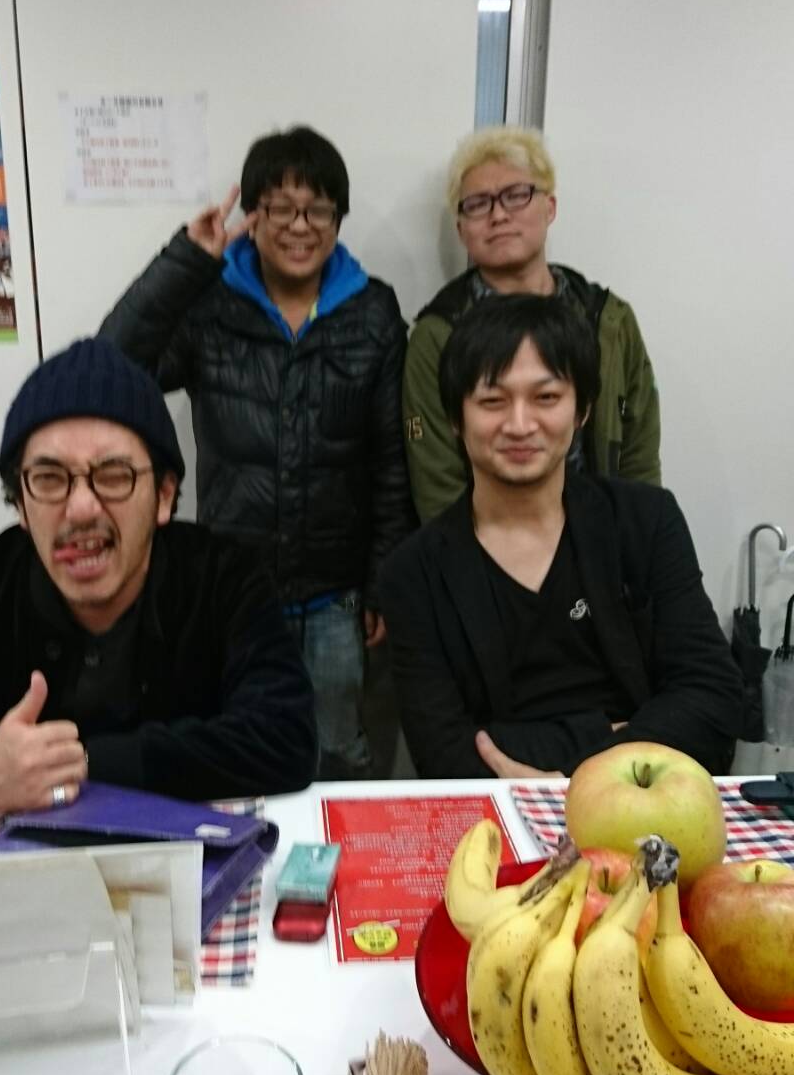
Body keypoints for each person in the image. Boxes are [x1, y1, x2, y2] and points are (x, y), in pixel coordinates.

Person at [0, 337, 318, 823]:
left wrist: (79, 764)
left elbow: (287, 738)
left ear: (164, 496)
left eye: (114, 475)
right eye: (49, 478)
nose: (82, 508)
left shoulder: (226, 579)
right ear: (21, 504)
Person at [99, 125, 415, 777]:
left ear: (337, 218)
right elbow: (113, 366)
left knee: (335, 755)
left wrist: (383, 581)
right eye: (280, 207)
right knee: (235, 750)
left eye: (317, 209)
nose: (300, 225)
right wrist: (186, 261)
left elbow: (391, 460)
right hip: (233, 590)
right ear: (252, 215)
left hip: (337, 597)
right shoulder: (210, 304)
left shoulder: (373, 311)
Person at [380, 295, 740, 779]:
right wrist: (611, 733)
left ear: (582, 409)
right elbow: (443, 754)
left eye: (546, 398)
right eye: (492, 401)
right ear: (454, 419)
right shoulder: (414, 573)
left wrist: (583, 771)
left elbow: (713, 699)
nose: (520, 425)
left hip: (648, 802)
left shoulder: (645, 522)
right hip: (501, 812)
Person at [403, 125, 661, 522]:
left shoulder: (609, 321)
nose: (498, 215)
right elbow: (438, 485)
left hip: (605, 540)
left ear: (550, 207)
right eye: (478, 204)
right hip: (485, 545)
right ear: (461, 229)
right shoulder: (438, 334)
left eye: (516, 194)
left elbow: (639, 458)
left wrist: (637, 541)